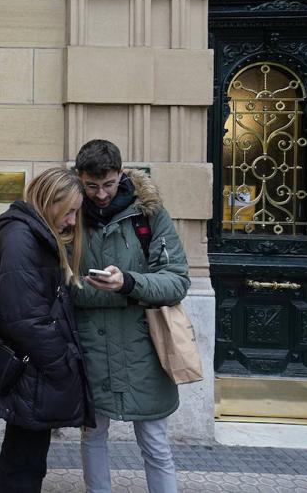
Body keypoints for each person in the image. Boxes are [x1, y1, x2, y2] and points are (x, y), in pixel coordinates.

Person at [0, 167, 95, 493]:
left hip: (34, 369)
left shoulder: (29, 233)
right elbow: (25, 318)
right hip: (34, 369)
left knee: (24, 457)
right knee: (23, 465)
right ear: (49, 201)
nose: (71, 221)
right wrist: (62, 365)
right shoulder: (21, 237)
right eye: (69, 211)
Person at [73, 139, 190, 493]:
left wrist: (128, 283)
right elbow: (58, 282)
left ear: (121, 174)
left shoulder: (150, 214)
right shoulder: (70, 212)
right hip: (90, 346)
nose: (101, 194)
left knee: (154, 441)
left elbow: (177, 281)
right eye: (92, 186)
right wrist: (111, 291)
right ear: (80, 178)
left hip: (145, 348)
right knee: (92, 434)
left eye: (108, 184)